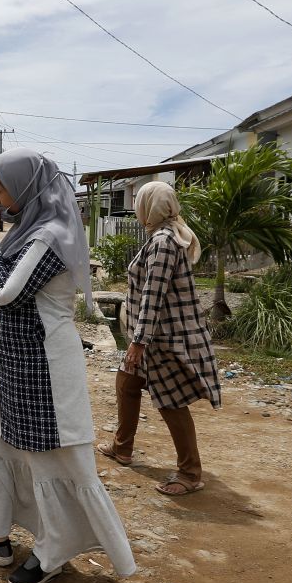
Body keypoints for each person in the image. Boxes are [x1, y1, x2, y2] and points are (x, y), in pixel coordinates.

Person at [0, 148, 136, 583]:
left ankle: (50, 553)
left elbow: (5, 292)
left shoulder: (51, 235)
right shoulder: (29, 231)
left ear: (25, 187)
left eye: (2, 187)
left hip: (44, 370)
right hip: (15, 365)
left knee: (50, 463)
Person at [96, 181, 221, 495]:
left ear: (149, 206)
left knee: (171, 401)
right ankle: (122, 447)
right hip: (153, 333)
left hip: (164, 337)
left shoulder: (164, 241)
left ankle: (190, 473)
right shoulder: (161, 236)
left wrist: (139, 342)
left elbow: (154, 294)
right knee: (126, 382)